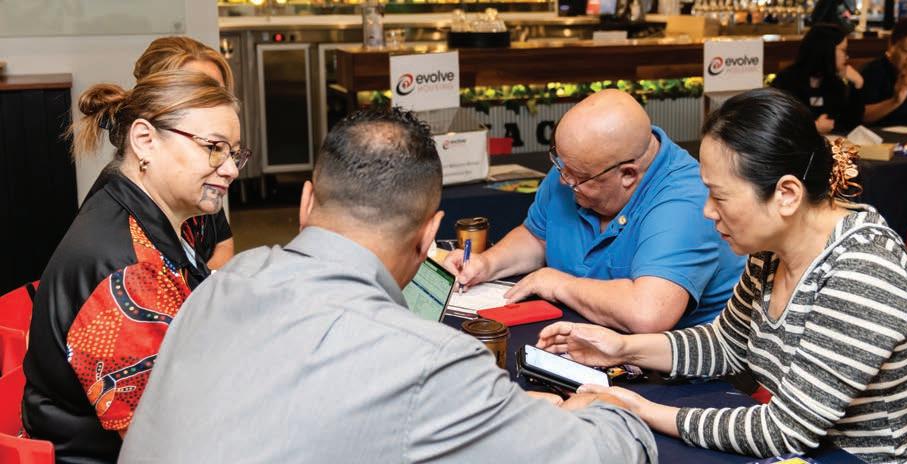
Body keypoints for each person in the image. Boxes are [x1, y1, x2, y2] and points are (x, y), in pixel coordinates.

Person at [117, 108, 657, 464]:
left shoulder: (224, 283)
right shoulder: (429, 361)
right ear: (427, 237)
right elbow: (605, 454)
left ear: (306, 202)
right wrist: (599, 407)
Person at [537, 88, 907, 463]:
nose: (707, 211)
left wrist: (640, 409)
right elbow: (725, 344)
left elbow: (783, 431)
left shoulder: (864, 269)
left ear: (787, 194)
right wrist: (622, 349)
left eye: (719, 196)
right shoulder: (770, 250)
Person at [22, 70, 250, 463]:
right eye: (214, 148)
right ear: (145, 140)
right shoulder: (126, 271)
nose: (230, 168)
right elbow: (161, 445)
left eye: (234, 153)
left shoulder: (147, 209)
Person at [444, 89, 744, 333]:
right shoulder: (577, 167)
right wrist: (487, 264)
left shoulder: (685, 201)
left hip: (678, 367)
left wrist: (558, 284)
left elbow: (648, 314)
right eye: (560, 164)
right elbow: (537, 237)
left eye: (577, 176)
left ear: (628, 174)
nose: (563, 180)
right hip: (585, 334)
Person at [84, 36, 237, 269]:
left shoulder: (198, 179)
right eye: (198, 93)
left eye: (217, 93)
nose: (231, 170)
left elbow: (223, 243)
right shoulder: (121, 245)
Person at [772, 23, 865, 134]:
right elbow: (777, 124)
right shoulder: (786, 81)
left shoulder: (835, 83)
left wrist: (858, 85)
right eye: (843, 50)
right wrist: (813, 127)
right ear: (826, 50)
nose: (847, 56)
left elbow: (851, 126)